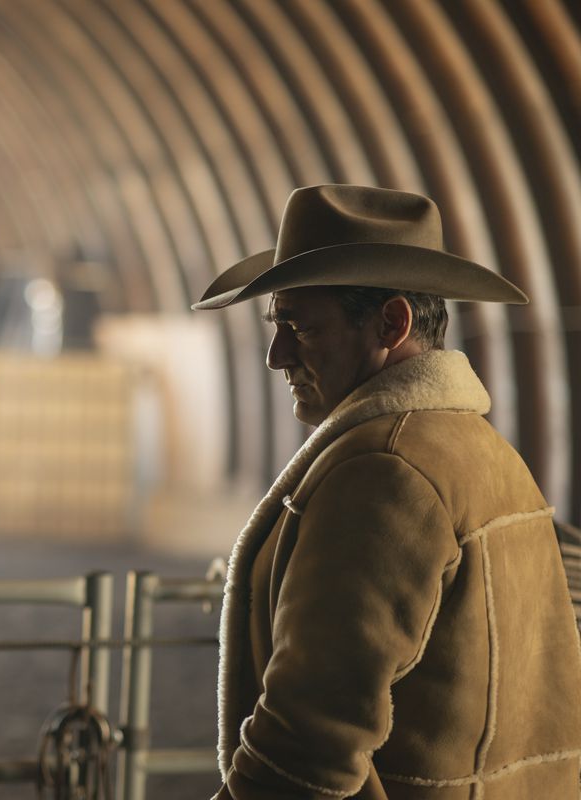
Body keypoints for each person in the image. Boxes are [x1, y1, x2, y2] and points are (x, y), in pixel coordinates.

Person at [192, 184, 581, 799]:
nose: (276, 355)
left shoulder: (382, 471)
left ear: (391, 323)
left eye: (299, 326)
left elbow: (307, 751)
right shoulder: (488, 455)